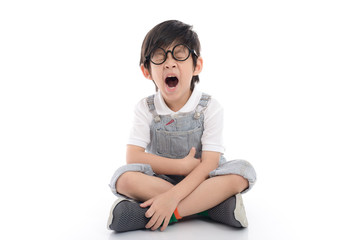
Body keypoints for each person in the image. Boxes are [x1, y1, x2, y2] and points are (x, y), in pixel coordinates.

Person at [107, 20, 256, 232]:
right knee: (123, 179)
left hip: (205, 177)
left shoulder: (210, 107)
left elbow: (210, 163)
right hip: (162, 180)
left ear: (197, 65)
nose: (170, 63)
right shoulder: (146, 109)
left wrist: (172, 198)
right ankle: (208, 207)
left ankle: (170, 213)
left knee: (242, 173)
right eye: (159, 56)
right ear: (146, 71)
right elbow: (133, 157)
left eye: (180, 54)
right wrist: (181, 167)